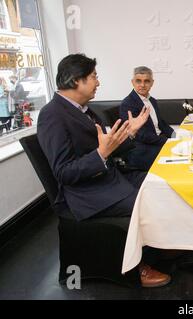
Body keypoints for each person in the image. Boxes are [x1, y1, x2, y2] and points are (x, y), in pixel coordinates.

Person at [37, 54, 170, 287]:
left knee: (158, 183)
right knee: (144, 202)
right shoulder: (52, 115)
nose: (98, 82)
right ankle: (135, 267)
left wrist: (130, 133)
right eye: (93, 77)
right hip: (83, 193)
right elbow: (64, 172)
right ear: (75, 80)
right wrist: (101, 154)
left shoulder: (84, 110)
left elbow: (111, 148)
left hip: (109, 177)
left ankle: (157, 247)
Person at [120, 66, 174, 171]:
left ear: (152, 83)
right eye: (138, 81)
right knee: (180, 155)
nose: (142, 85)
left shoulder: (152, 100)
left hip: (156, 141)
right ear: (132, 82)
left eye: (147, 81)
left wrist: (175, 135)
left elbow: (161, 123)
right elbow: (142, 135)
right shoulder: (127, 104)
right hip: (142, 149)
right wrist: (168, 141)